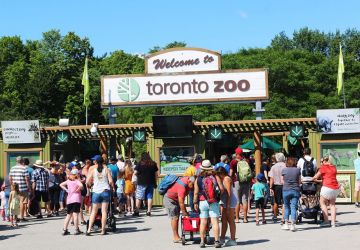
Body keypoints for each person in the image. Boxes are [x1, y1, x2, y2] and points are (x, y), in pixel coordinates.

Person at [194, 160, 223, 248]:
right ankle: (217, 241)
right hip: (213, 201)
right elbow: (221, 189)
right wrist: (218, 197)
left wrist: (195, 202)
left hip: (202, 201)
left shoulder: (198, 178)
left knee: (203, 222)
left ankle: (202, 242)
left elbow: (196, 192)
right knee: (215, 222)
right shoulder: (215, 176)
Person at [86, 155, 114, 235]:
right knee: (104, 211)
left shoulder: (93, 170)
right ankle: (102, 230)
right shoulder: (106, 170)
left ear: (96, 162)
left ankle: (89, 230)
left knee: (93, 212)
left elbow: (88, 181)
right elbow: (111, 181)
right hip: (105, 191)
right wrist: (112, 186)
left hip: (96, 191)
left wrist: (90, 184)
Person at [163, 176, 195, 243]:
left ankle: (177, 235)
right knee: (174, 218)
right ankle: (175, 237)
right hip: (170, 200)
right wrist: (185, 213)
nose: (193, 187)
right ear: (189, 182)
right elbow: (181, 203)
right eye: (193, 184)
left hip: (175, 199)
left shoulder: (187, 181)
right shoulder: (182, 187)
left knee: (176, 217)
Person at [313, 155, 339, 228]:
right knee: (332, 205)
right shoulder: (334, 167)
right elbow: (330, 177)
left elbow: (315, 177)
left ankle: (326, 221)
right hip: (335, 187)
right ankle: (333, 222)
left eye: (322, 161)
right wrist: (322, 180)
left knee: (322, 203)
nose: (321, 163)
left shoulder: (323, 167)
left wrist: (315, 179)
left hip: (327, 187)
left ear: (325, 161)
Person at [216, 166, 237, 246]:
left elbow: (229, 193)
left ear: (221, 173)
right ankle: (222, 238)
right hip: (226, 202)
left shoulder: (226, 179)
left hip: (229, 202)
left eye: (218, 174)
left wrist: (227, 206)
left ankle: (233, 239)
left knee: (230, 220)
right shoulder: (224, 178)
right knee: (224, 220)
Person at [134, 152, 159, 217]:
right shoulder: (153, 163)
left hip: (141, 182)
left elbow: (135, 172)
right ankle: (148, 211)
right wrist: (155, 182)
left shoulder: (140, 163)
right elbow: (156, 174)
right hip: (151, 182)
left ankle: (137, 211)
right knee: (149, 197)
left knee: (139, 197)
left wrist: (139, 175)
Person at [60, 168, 83, 235]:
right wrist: (78, 189)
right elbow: (81, 185)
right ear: (77, 174)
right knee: (75, 215)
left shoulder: (68, 181)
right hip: (76, 199)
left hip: (69, 200)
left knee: (68, 215)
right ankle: (76, 229)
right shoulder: (77, 181)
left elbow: (61, 184)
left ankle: (64, 229)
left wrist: (66, 190)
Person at [281, 156, 301, 232]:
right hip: (295, 190)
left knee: (286, 207)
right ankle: (293, 225)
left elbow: (282, 181)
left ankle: (286, 224)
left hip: (286, 190)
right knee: (293, 207)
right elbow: (299, 181)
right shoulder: (297, 170)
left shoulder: (284, 170)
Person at [9, 156, 31, 222]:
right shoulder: (24, 168)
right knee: (22, 202)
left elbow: (10, 179)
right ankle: (21, 217)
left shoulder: (12, 168)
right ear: (22, 161)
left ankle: (15, 218)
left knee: (15, 202)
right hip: (23, 188)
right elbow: (27, 179)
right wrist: (29, 187)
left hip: (15, 189)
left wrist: (12, 187)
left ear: (16, 161)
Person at [268, 152, 286, 223]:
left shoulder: (273, 167)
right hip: (284, 185)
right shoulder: (285, 166)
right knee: (284, 202)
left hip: (276, 185)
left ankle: (275, 216)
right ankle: (283, 217)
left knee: (276, 202)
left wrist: (270, 187)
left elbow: (271, 178)